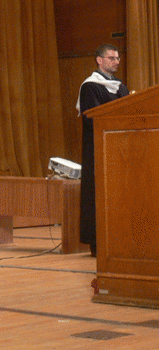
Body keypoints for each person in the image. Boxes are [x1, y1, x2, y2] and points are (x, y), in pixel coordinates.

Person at [76, 43, 128, 257]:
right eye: (111, 58)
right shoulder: (90, 86)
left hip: (121, 151)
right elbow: (91, 118)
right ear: (99, 60)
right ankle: (97, 243)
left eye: (117, 58)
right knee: (97, 195)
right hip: (98, 150)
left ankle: (120, 240)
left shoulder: (120, 86)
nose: (116, 61)